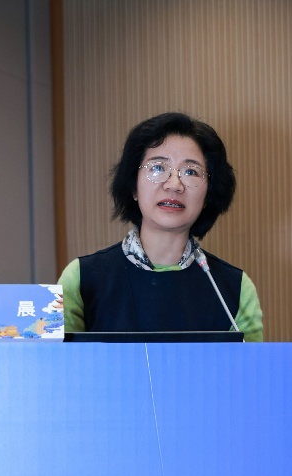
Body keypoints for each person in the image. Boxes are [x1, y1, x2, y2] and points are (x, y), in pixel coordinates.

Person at [59, 112, 263, 341]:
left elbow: (251, 364)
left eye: (191, 172)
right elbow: (56, 362)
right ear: (133, 187)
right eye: (157, 168)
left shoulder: (234, 288)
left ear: (208, 194)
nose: (174, 185)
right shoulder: (81, 278)